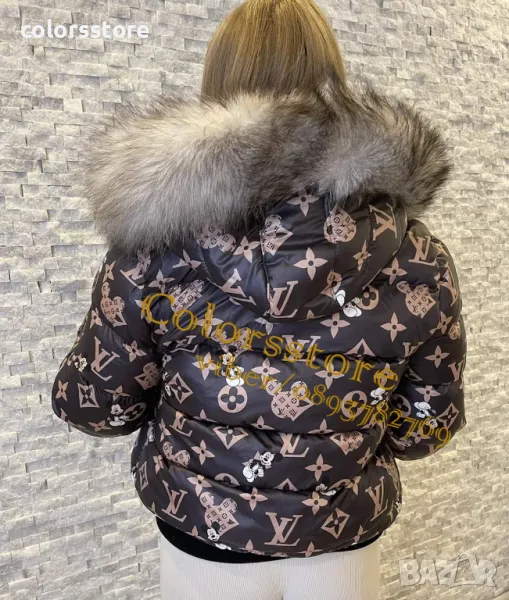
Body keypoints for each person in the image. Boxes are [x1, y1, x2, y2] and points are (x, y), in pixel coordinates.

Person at [50, 0, 468, 597]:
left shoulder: (154, 247)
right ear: (334, 87)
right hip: (342, 538)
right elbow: (424, 429)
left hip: (204, 537)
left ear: (217, 92)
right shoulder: (418, 257)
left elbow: (96, 407)